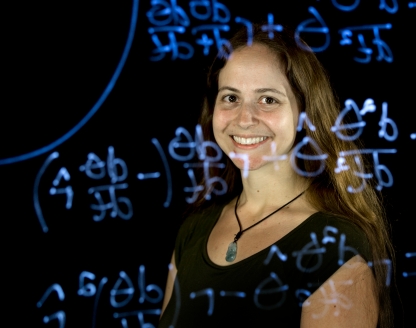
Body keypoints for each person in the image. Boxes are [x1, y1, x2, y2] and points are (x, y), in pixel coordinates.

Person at [158, 23, 395, 328]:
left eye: (268, 99)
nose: (245, 119)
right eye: (230, 97)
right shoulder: (193, 230)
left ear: (304, 114)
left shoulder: (333, 246)